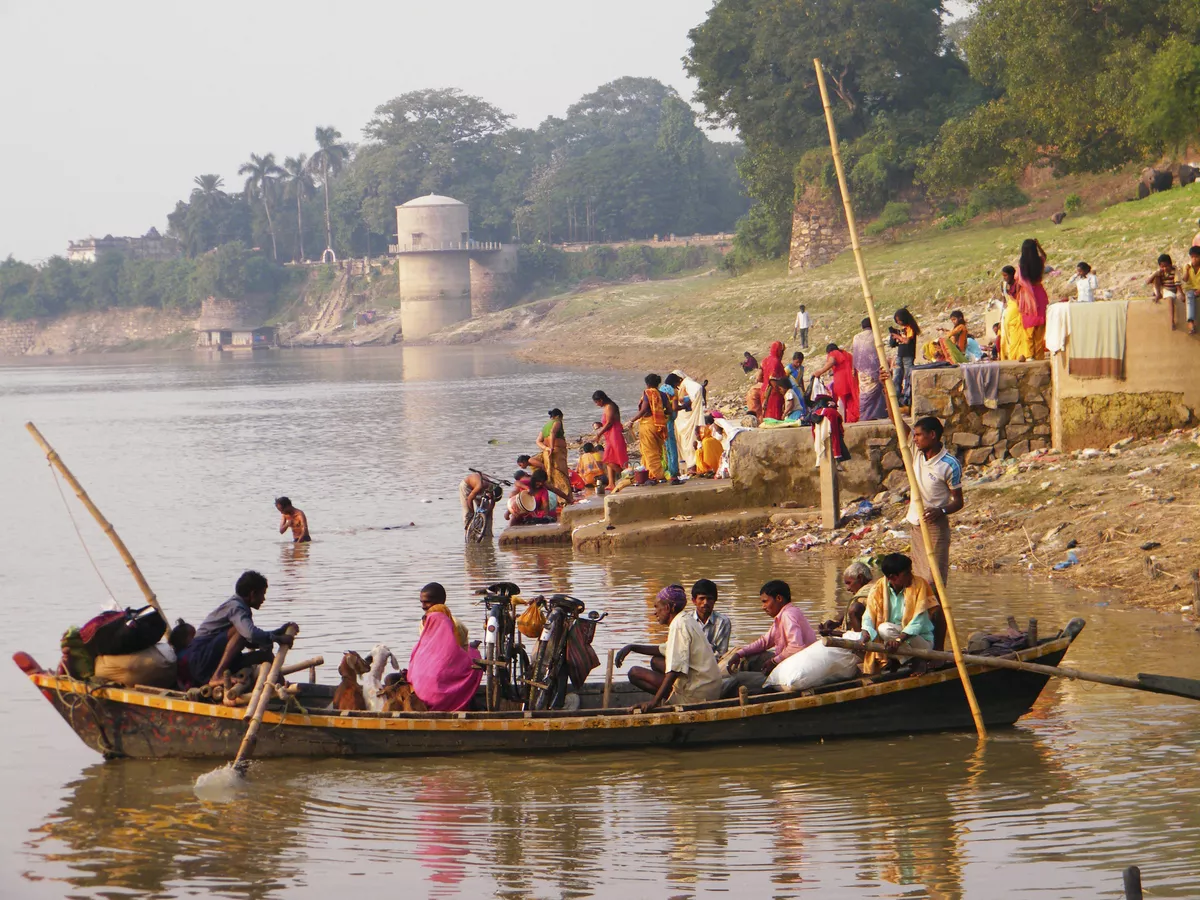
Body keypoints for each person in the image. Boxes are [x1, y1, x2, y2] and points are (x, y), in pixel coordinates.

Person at [178, 570, 295, 698]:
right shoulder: (236, 607)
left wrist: (279, 632)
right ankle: (217, 676)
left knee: (265, 655)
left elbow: (252, 640)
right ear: (253, 594)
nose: (263, 599)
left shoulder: (242, 608)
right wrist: (277, 638)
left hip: (214, 660)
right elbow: (250, 634)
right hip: (200, 660)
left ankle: (281, 689)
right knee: (240, 632)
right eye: (262, 594)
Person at [615, 585, 723, 711]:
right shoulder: (685, 619)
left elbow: (674, 671)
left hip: (698, 696)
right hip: (709, 687)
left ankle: (672, 699)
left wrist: (653, 703)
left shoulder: (678, 625)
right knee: (656, 661)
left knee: (634, 673)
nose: (655, 612)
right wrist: (632, 647)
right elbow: (664, 649)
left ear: (667, 608)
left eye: (657, 607)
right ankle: (669, 696)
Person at [906, 416, 960, 645]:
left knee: (934, 590)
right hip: (915, 526)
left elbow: (958, 501)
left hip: (936, 529)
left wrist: (942, 511)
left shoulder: (949, 464)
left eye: (919, 435)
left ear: (933, 436)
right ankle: (920, 644)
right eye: (915, 435)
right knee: (917, 587)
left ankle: (938, 648)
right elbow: (896, 422)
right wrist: (885, 381)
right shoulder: (915, 452)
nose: (915, 439)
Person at [859, 553, 938, 674]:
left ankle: (916, 659)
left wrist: (898, 640)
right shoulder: (877, 589)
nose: (911, 576)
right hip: (893, 642)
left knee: (884, 629)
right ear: (893, 577)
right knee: (878, 634)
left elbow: (919, 620)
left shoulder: (919, 585)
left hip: (920, 642)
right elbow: (869, 615)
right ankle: (904, 659)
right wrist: (865, 632)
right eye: (907, 573)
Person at [724, 580, 818, 675]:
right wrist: (740, 653)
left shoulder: (788, 615)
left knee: (739, 679)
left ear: (779, 598)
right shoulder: (784, 615)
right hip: (793, 662)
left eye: (765, 601)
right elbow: (765, 642)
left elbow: (796, 647)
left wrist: (774, 661)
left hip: (799, 667)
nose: (763, 607)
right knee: (749, 658)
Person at [407, 603, 482, 712]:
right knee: (476, 666)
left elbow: (410, 676)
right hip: (442, 701)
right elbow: (469, 666)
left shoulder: (418, 649)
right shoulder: (452, 650)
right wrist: (474, 651)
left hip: (421, 701)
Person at [629, 374, 668, 483]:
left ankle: (659, 476)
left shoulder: (648, 393)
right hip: (660, 425)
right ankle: (649, 474)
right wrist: (659, 414)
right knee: (656, 451)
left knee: (650, 452)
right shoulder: (663, 395)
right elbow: (669, 410)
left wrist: (632, 420)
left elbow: (644, 409)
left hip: (648, 425)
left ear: (647, 384)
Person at [1015, 238, 1049, 360]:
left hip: (1028, 298)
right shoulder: (1040, 262)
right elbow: (1044, 255)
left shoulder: (1021, 266)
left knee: (1028, 328)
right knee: (1040, 330)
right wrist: (1039, 245)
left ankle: (1029, 355)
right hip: (1040, 295)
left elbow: (1018, 280)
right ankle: (1039, 356)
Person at [809, 343, 859, 423]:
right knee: (851, 401)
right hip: (852, 381)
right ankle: (853, 418)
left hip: (842, 382)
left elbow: (832, 361)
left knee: (843, 403)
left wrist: (820, 371)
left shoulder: (834, 353)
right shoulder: (848, 355)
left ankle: (848, 420)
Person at [850, 319, 886, 421]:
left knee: (864, 392)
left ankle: (865, 415)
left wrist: (853, 368)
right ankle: (874, 415)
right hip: (874, 369)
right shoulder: (876, 336)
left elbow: (855, 353)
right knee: (875, 392)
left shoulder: (856, 337)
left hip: (861, 370)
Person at [821, 561, 872, 634]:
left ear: (860, 578)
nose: (847, 588)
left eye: (849, 583)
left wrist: (831, 633)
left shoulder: (865, 597)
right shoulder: (864, 593)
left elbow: (856, 635)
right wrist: (837, 624)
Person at [592, 390, 629, 489]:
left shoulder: (609, 406)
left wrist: (599, 434)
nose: (596, 404)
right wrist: (600, 425)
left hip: (615, 435)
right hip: (610, 436)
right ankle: (611, 483)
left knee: (611, 459)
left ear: (601, 400)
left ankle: (627, 476)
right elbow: (607, 423)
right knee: (609, 458)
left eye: (596, 402)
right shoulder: (607, 407)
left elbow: (609, 423)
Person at [671, 370, 707, 472]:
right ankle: (690, 466)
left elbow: (697, 389)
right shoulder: (680, 387)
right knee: (685, 443)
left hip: (690, 419)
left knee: (692, 441)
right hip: (682, 420)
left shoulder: (687, 383)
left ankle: (695, 465)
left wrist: (687, 403)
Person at [689, 578, 731, 657]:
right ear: (694, 601)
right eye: (702, 598)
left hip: (714, 665)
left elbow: (721, 653)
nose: (705, 603)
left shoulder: (723, 622)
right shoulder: (686, 620)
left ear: (715, 600)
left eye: (709, 599)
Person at [537, 409, 572, 502]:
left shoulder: (545, 426)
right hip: (556, 452)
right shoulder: (557, 422)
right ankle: (566, 498)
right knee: (561, 474)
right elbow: (553, 432)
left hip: (547, 453)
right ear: (558, 416)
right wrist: (552, 447)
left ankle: (556, 500)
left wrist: (546, 448)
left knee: (551, 475)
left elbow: (538, 441)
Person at [890, 308, 920, 409]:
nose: (898, 322)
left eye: (900, 320)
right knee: (897, 376)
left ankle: (907, 399)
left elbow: (907, 341)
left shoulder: (910, 328)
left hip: (908, 355)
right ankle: (896, 398)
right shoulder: (903, 329)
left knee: (908, 377)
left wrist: (898, 337)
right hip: (900, 354)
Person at [458, 470, 499, 537]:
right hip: (467, 487)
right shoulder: (480, 486)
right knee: (468, 512)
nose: (490, 497)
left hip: (482, 488)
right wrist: (472, 513)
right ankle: (468, 534)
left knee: (486, 510)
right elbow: (469, 499)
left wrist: (487, 512)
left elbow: (492, 503)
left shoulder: (492, 487)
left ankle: (487, 534)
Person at [1148, 253, 1181, 329]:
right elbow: (1147, 282)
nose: (1165, 268)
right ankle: (1158, 294)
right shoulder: (1160, 271)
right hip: (1162, 290)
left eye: (1166, 266)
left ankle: (1172, 321)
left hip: (1170, 290)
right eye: (1162, 267)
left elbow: (1177, 282)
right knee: (1156, 277)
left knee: (1170, 299)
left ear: (1170, 264)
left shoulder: (1175, 271)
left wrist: (1181, 293)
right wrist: (1156, 273)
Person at [661, 373, 684, 482]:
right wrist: (686, 406)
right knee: (672, 447)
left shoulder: (661, 389)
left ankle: (667, 471)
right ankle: (673, 472)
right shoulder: (673, 391)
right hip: (669, 421)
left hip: (660, 421)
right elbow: (674, 407)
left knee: (666, 447)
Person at [759, 341, 787, 421]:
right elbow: (773, 380)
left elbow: (758, 377)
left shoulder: (764, 361)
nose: (782, 354)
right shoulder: (776, 362)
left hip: (764, 390)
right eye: (782, 351)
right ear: (778, 351)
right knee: (774, 417)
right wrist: (781, 391)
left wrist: (765, 382)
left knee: (766, 415)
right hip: (773, 394)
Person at [999, 265, 1021, 361]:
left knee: (1015, 340)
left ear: (1012, 275)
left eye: (1006, 275)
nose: (1004, 278)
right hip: (1008, 319)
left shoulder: (1018, 285)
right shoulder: (1007, 287)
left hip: (1016, 317)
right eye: (1003, 276)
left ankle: (1015, 358)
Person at [783, 352, 809, 421]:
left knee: (802, 403)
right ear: (793, 360)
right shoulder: (788, 368)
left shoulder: (801, 369)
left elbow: (801, 380)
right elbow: (784, 379)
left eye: (800, 362)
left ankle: (803, 418)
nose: (798, 364)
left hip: (799, 390)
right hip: (792, 390)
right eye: (797, 362)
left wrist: (803, 390)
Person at [1180, 246, 1200, 335]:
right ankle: (1191, 323)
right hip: (1191, 289)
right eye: (1192, 257)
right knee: (1189, 297)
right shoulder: (1187, 266)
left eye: (1196, 257)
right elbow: (1184, 279)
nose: (1194, 259)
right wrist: (1187, 271)